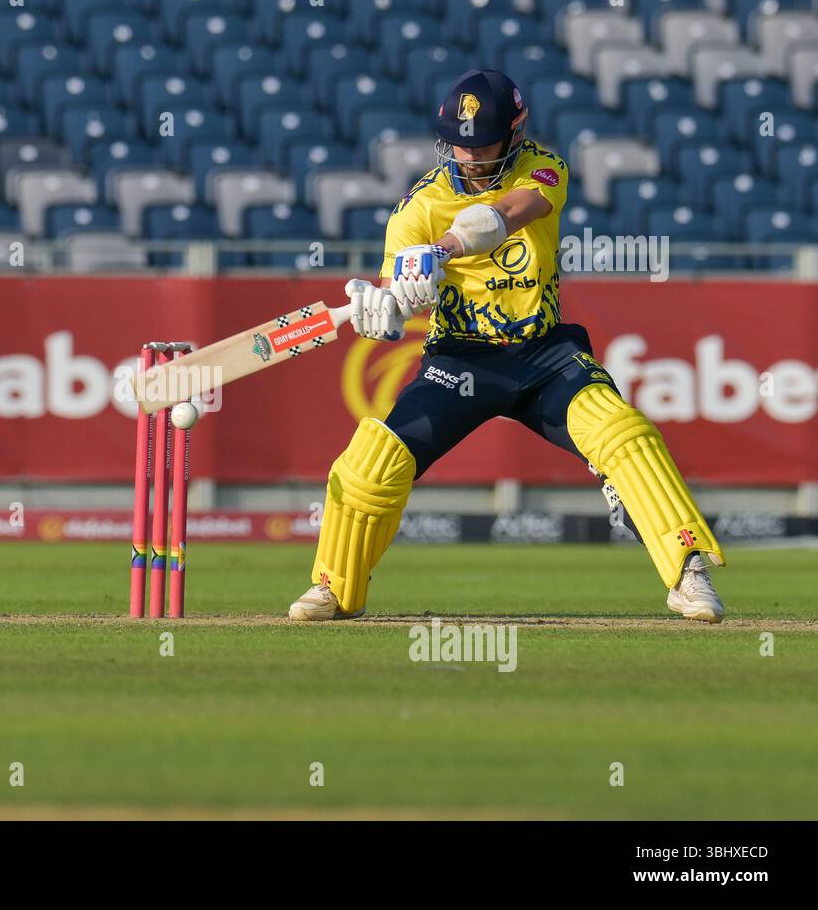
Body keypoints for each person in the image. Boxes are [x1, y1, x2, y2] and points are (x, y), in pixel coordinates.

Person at [290, 69, 725, 623]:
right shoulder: (416, 208)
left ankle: (688, 571)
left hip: (544, 356)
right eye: (460, 146)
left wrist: (442, 249)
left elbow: (504, 216)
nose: (470, 159)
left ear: (515, 133)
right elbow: (399, 294)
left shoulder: (544, 168)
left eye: (482, 146)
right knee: (372, 463)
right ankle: (334, 587)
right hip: (461, 361)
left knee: (623, 433)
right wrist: (385, 307)